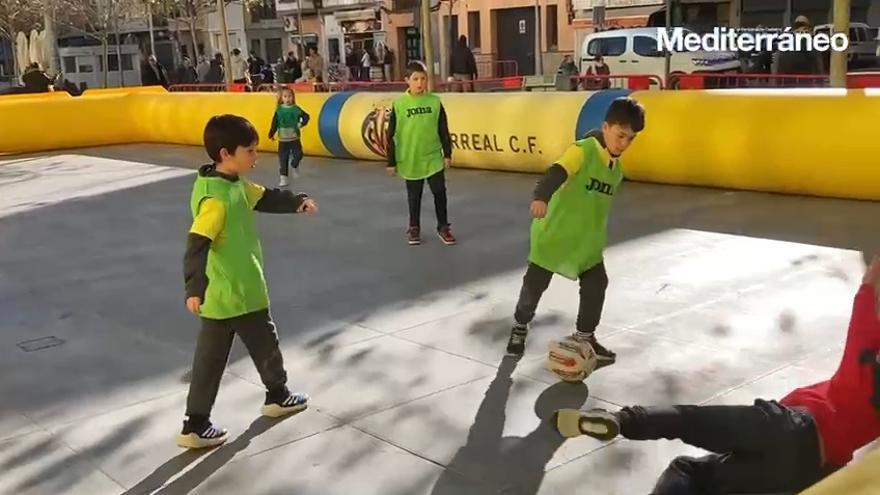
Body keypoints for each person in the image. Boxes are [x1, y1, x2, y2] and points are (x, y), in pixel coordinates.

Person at [554, 256, 880, 494]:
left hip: (787, 426)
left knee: (687, 428)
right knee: (702, 476)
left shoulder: (866, 356)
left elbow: (868, 285)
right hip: (807, 471)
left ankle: (623, 421)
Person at [178, 114, 317, 449]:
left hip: (221, 296)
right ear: (226, 153)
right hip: (239, 291)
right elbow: (197, 242)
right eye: (251, 151)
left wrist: (296, 201)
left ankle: (195, 423)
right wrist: (193, 287)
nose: (256, 157)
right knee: (265, 345)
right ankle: (278, 395)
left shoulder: (229, 184)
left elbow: (265, 197)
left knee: (210, 362)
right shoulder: (218, 199)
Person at [504, 97, 645, 366]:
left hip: (586, 243)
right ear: (605, 127)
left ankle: (585, 337)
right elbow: (557, 171)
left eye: (631, 138)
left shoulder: (615, 170)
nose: (624, 143)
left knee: (596, 284)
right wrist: (541, 197)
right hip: (554, 235)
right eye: (620, 135)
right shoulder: (583, 150)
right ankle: (520, 325)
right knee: (534, 287)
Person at [385, 61, 456, 246]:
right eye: (415, 79)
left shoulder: (434, 102)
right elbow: (390, 133)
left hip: (432, 157)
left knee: (440, 192)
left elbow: (443, 129)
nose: (420, 83)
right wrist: (390, 161)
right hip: (410, 157)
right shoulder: (399, 104)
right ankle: (414, 227)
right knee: (414, 195)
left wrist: (447, 153)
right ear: (407, 81)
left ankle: (443, 227)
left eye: (423, 79)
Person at [268, 87, 310, 187]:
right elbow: (274, 123)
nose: (288, 99)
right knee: (283, 159)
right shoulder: (279, 110)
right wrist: (271, 134)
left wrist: (301, 123)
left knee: (299, 154)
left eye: (290, 96)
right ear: (282, 98)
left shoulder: (296, 109)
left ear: (293, 97)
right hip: (283, 140)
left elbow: (306, 116)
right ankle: (284, 178)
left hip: (294, 138)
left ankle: (294, 165)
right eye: (285, 96)